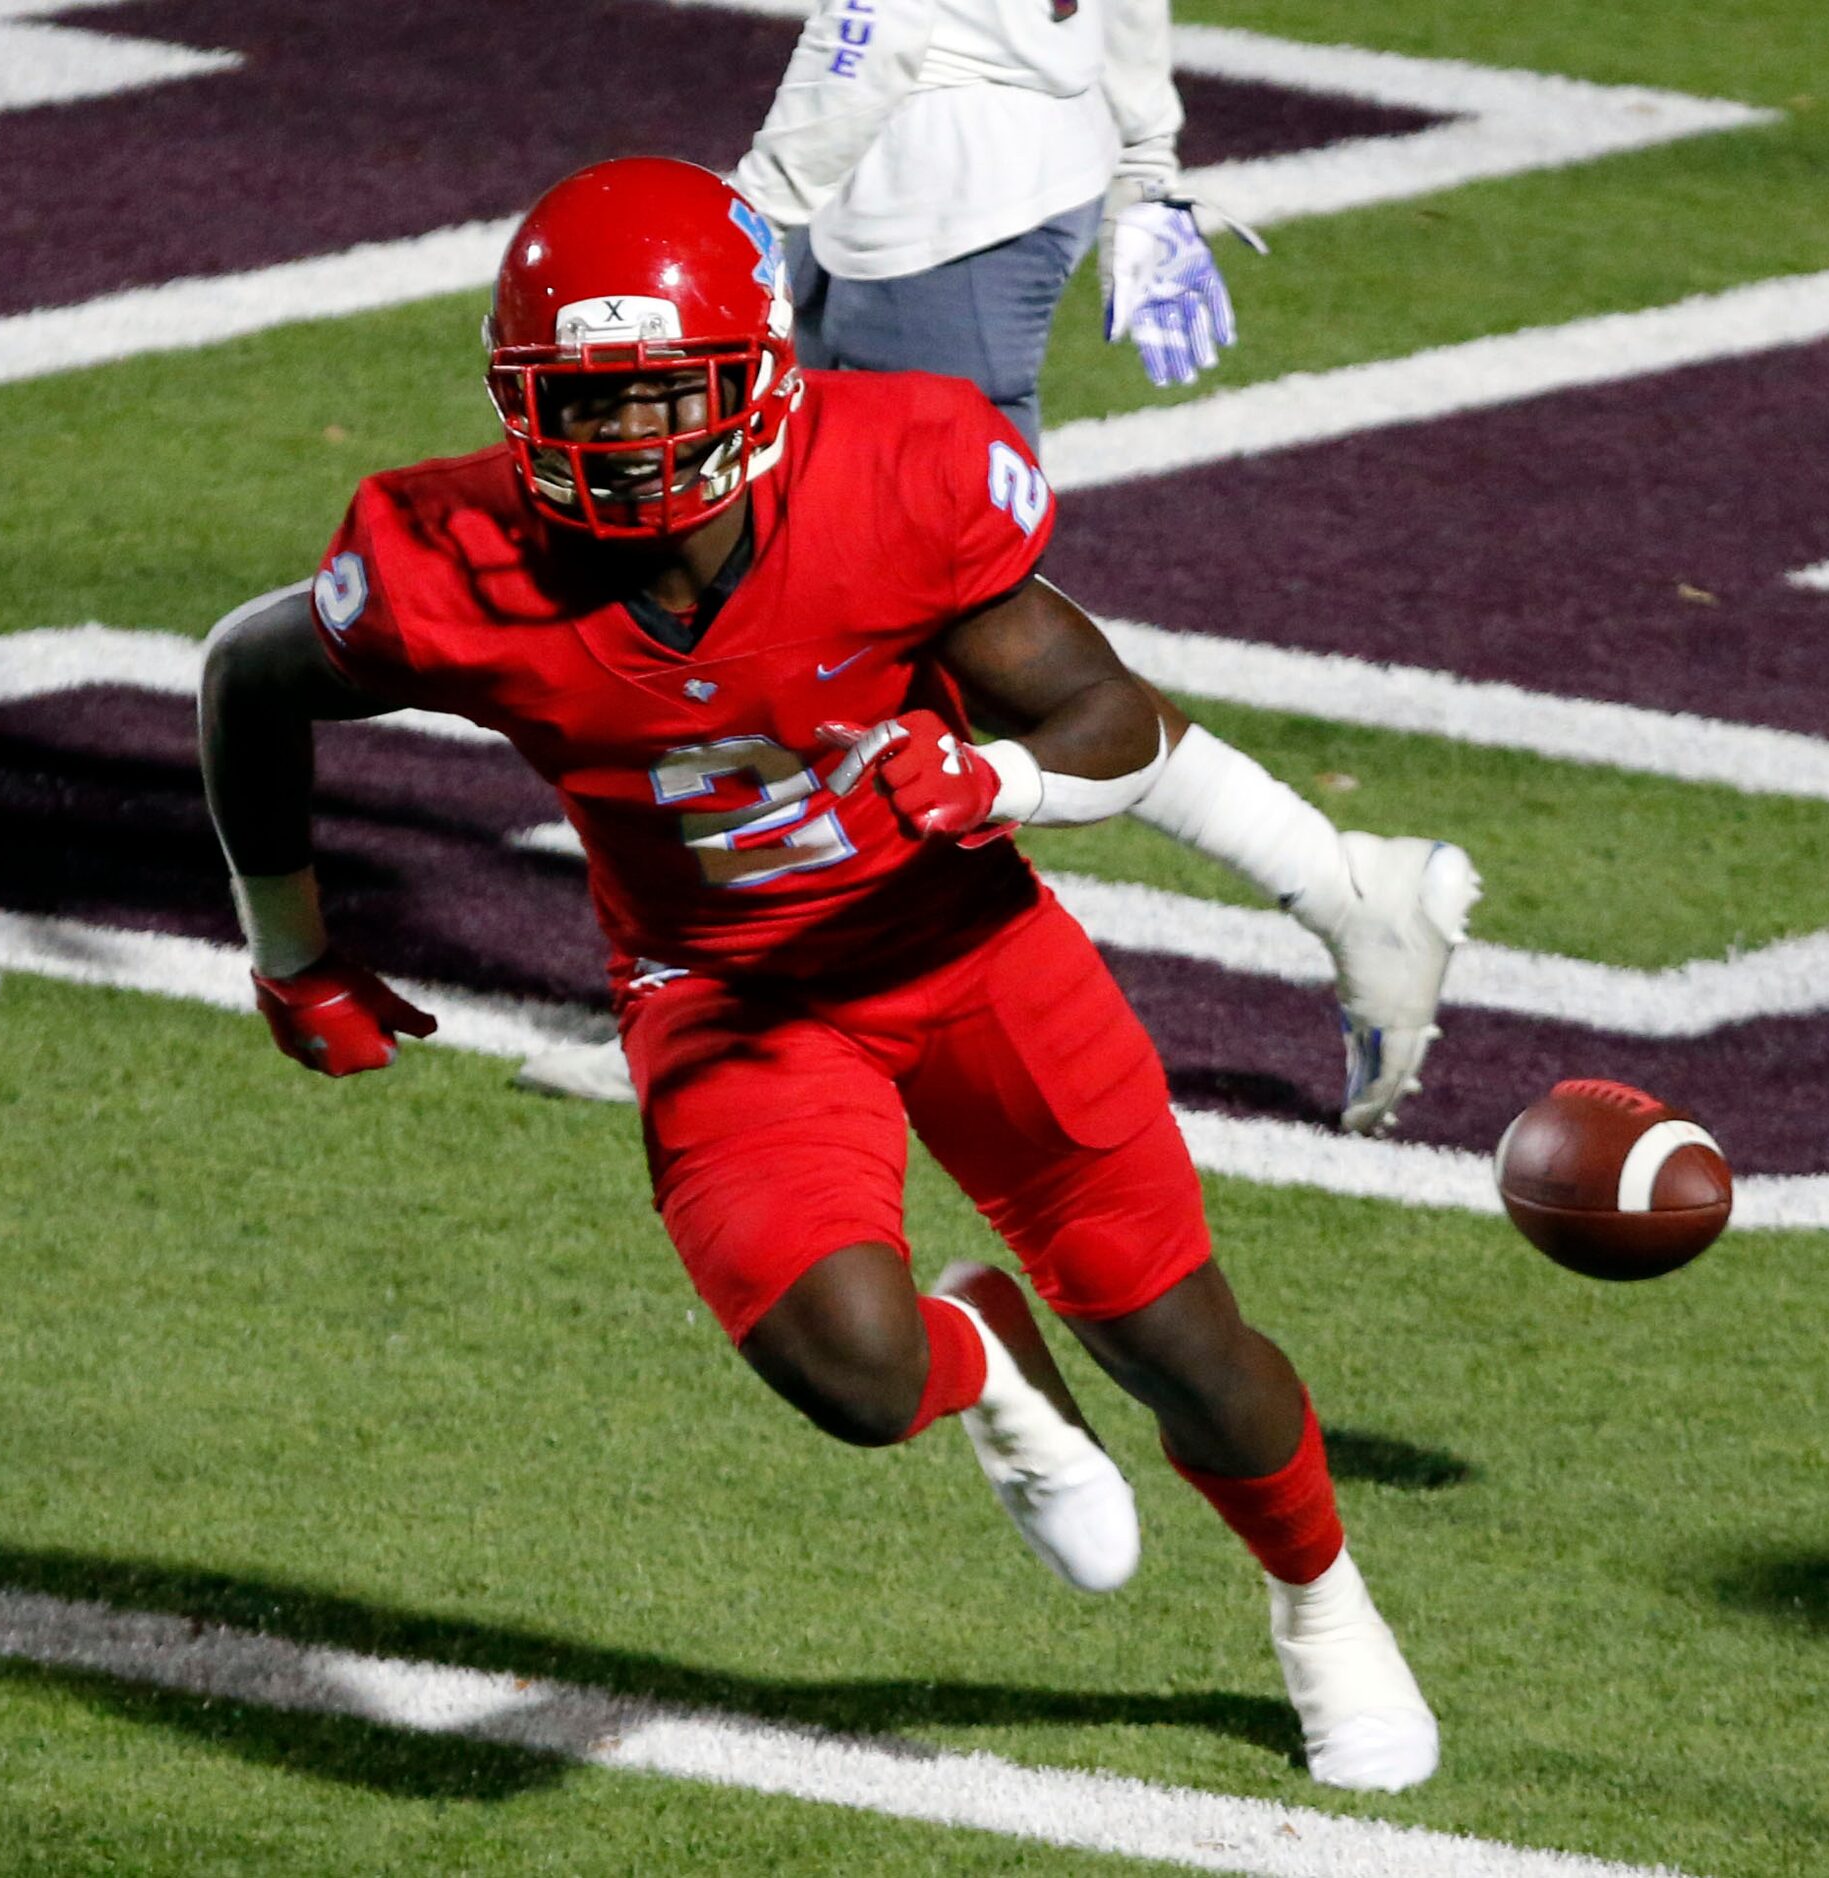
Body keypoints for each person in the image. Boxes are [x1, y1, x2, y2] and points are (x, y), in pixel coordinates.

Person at [200, 158, 1442, 1791]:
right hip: (723, 994)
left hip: (967, 949)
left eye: (661, 392)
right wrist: (291, 949)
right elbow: (248, 672)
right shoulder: (454, 564)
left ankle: (1318, 1597)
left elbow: (1102, 712)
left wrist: (1007, 789)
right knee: (851, 1373)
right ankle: (983, 1361)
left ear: (765, 374)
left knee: (1180, 1345)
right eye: (586, 400)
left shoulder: (894, 481)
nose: (629, 437)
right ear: (518, 401)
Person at [516, 4, 1465, 1128]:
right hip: (991, 164)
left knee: (886, 622)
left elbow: (877, 21)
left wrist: (751, 220)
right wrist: (1145, 157)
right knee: (839, 606)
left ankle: (1343, 886)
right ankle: (1340, 884)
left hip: (925, 194)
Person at [731, 0, 1250, 449]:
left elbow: (870, 35)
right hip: (1056, 142)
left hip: (937, 184)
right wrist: (1145, 154)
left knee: (933, 487)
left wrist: (752, 214)